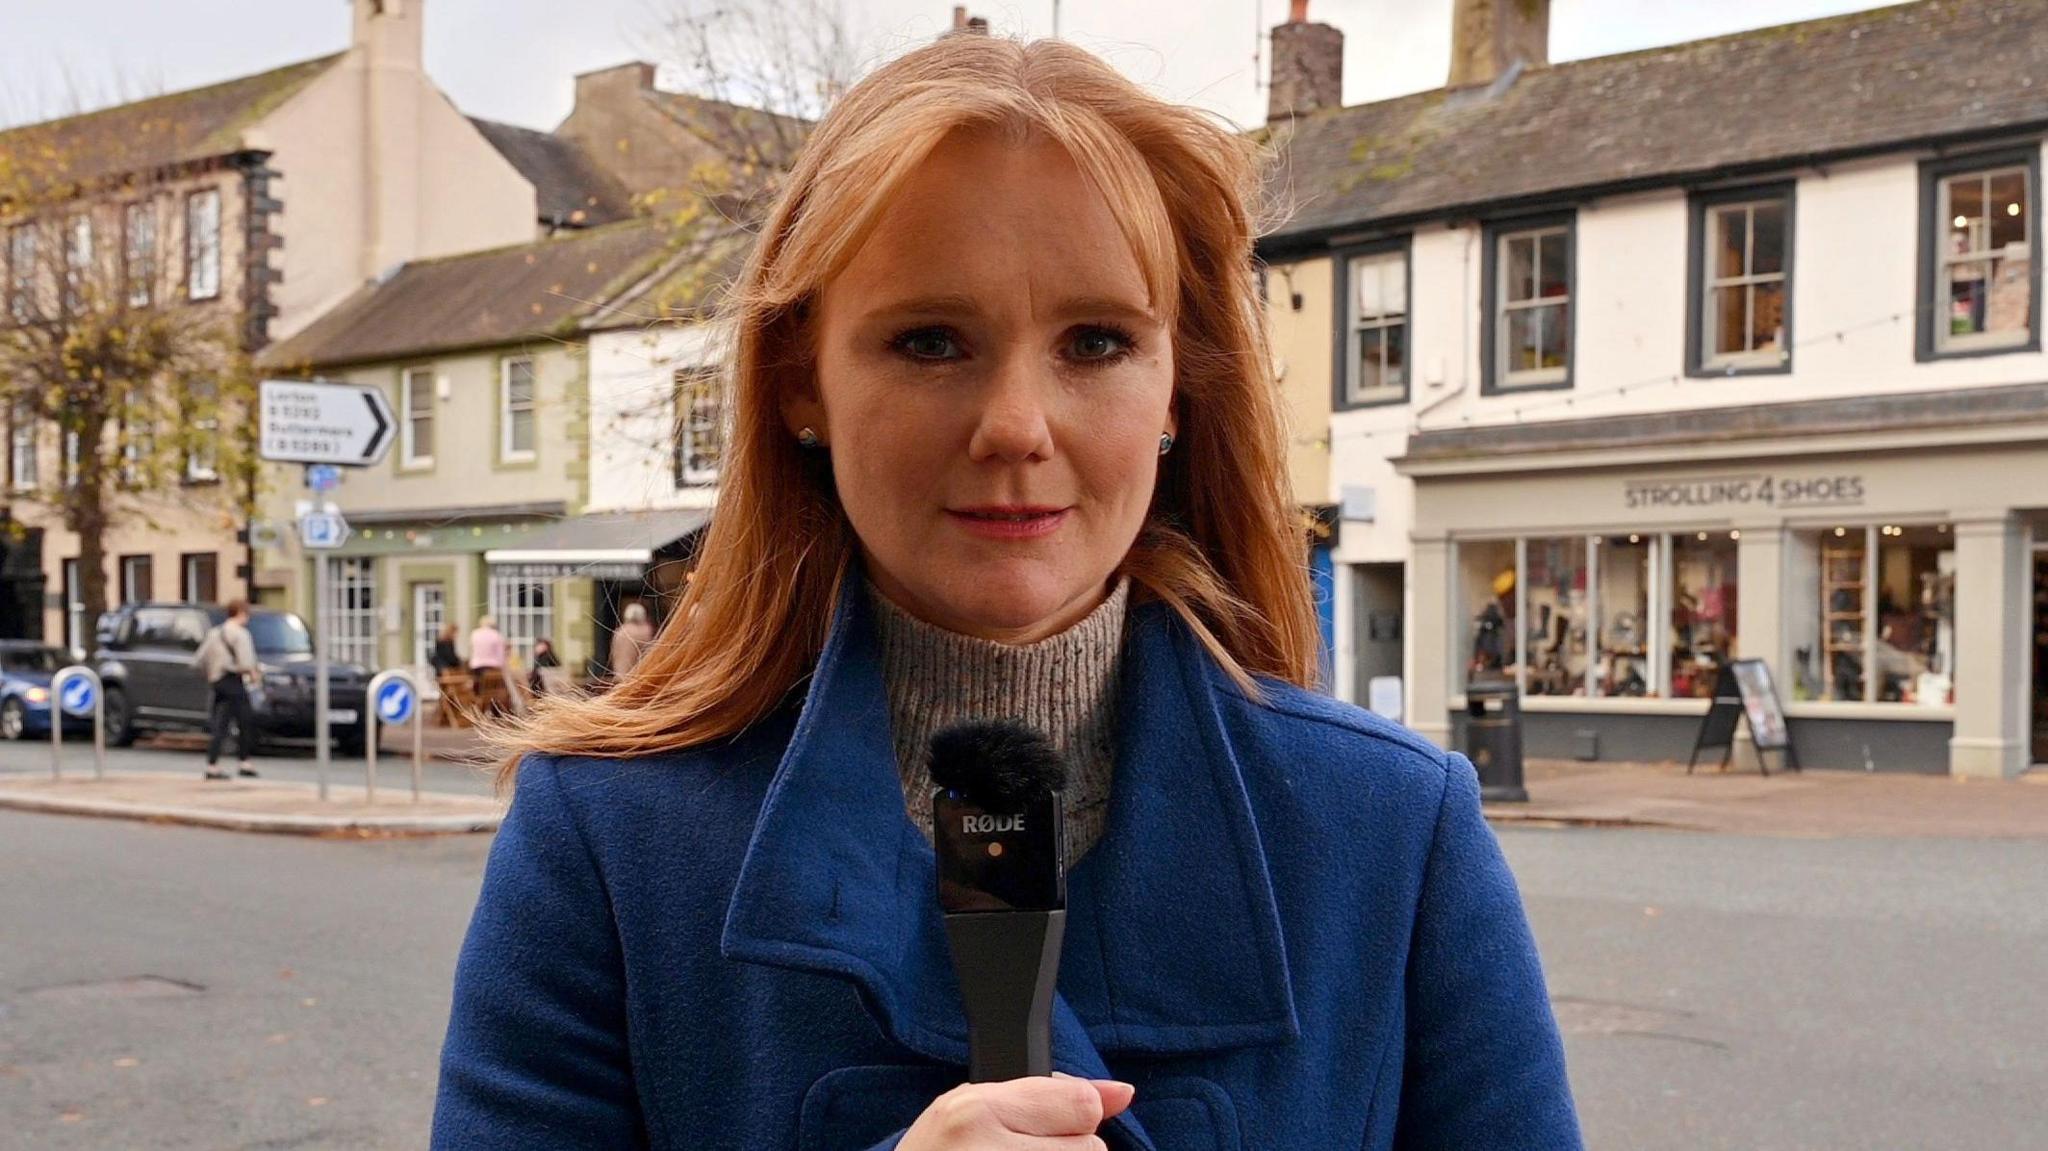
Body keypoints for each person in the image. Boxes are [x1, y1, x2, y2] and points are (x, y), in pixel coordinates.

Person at [433, 32, 1579, 1151]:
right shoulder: (611, 842)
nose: (1016, 426)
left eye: (1094, 341)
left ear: (1179, 383)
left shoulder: (1389, 830)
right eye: (930, 340)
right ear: (800, 383)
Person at [193, 600, 260, 781]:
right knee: (245, 720)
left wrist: (210, 674)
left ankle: (212, 765)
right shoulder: (241, 634)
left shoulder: (214, 633)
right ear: (240, 613)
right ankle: (244, 762)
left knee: (220, 724)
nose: (248, 617)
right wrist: (254, 675)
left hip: (218, 681)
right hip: (234, 681)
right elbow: (246, 662)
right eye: (247, 613)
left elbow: (199, 659)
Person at [607, 601, 654, 680]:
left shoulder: (620, 632)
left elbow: (613, 653)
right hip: (636, 676)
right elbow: (647, 653)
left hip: (619, 675)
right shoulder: (643, 632)